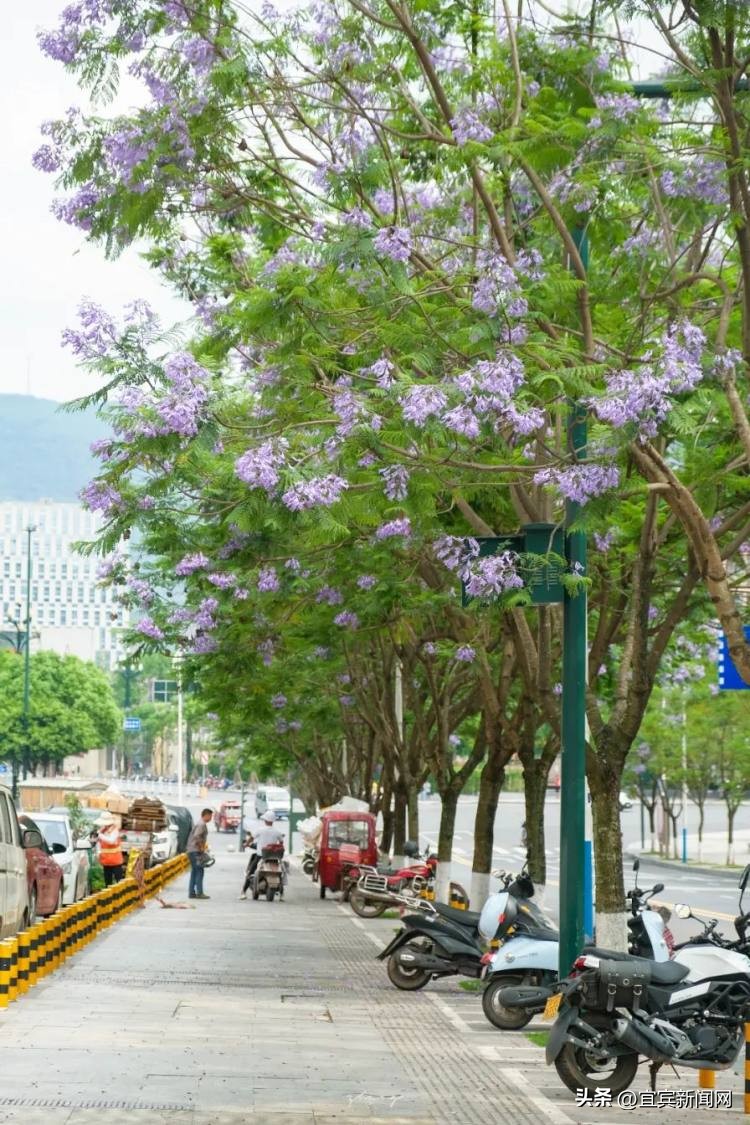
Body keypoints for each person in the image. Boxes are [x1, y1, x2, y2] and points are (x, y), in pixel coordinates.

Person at [242, 811, 285, 896]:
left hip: (260, 857)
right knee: (280, 873)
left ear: (265, 820)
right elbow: (281, 843)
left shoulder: (260, 830)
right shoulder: (277, 832)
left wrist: (246, 844)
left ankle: (243, 892)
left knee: (250, 872)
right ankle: (282, 894)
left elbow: (251, 838)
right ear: (273, 821)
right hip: (274, 858)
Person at [187, 808, 214, 900]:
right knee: (199, 870)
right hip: (195, 850)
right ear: (206, 815)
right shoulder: (201, 824)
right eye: (210, 816)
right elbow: (197, 836)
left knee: (194, 871)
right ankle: (199, 892)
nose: (211, 818)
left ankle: (191, 893)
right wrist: (201, 847)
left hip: (191, 850)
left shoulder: (200, 823)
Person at [95, 811, 124, 885]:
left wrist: (100, 835)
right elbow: (99, 843)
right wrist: (98, 853)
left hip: (116, 861)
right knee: (108, 883)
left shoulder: (114, 830)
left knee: (119, 882)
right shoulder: (103, 830)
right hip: (106, 861)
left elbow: (111, 841)